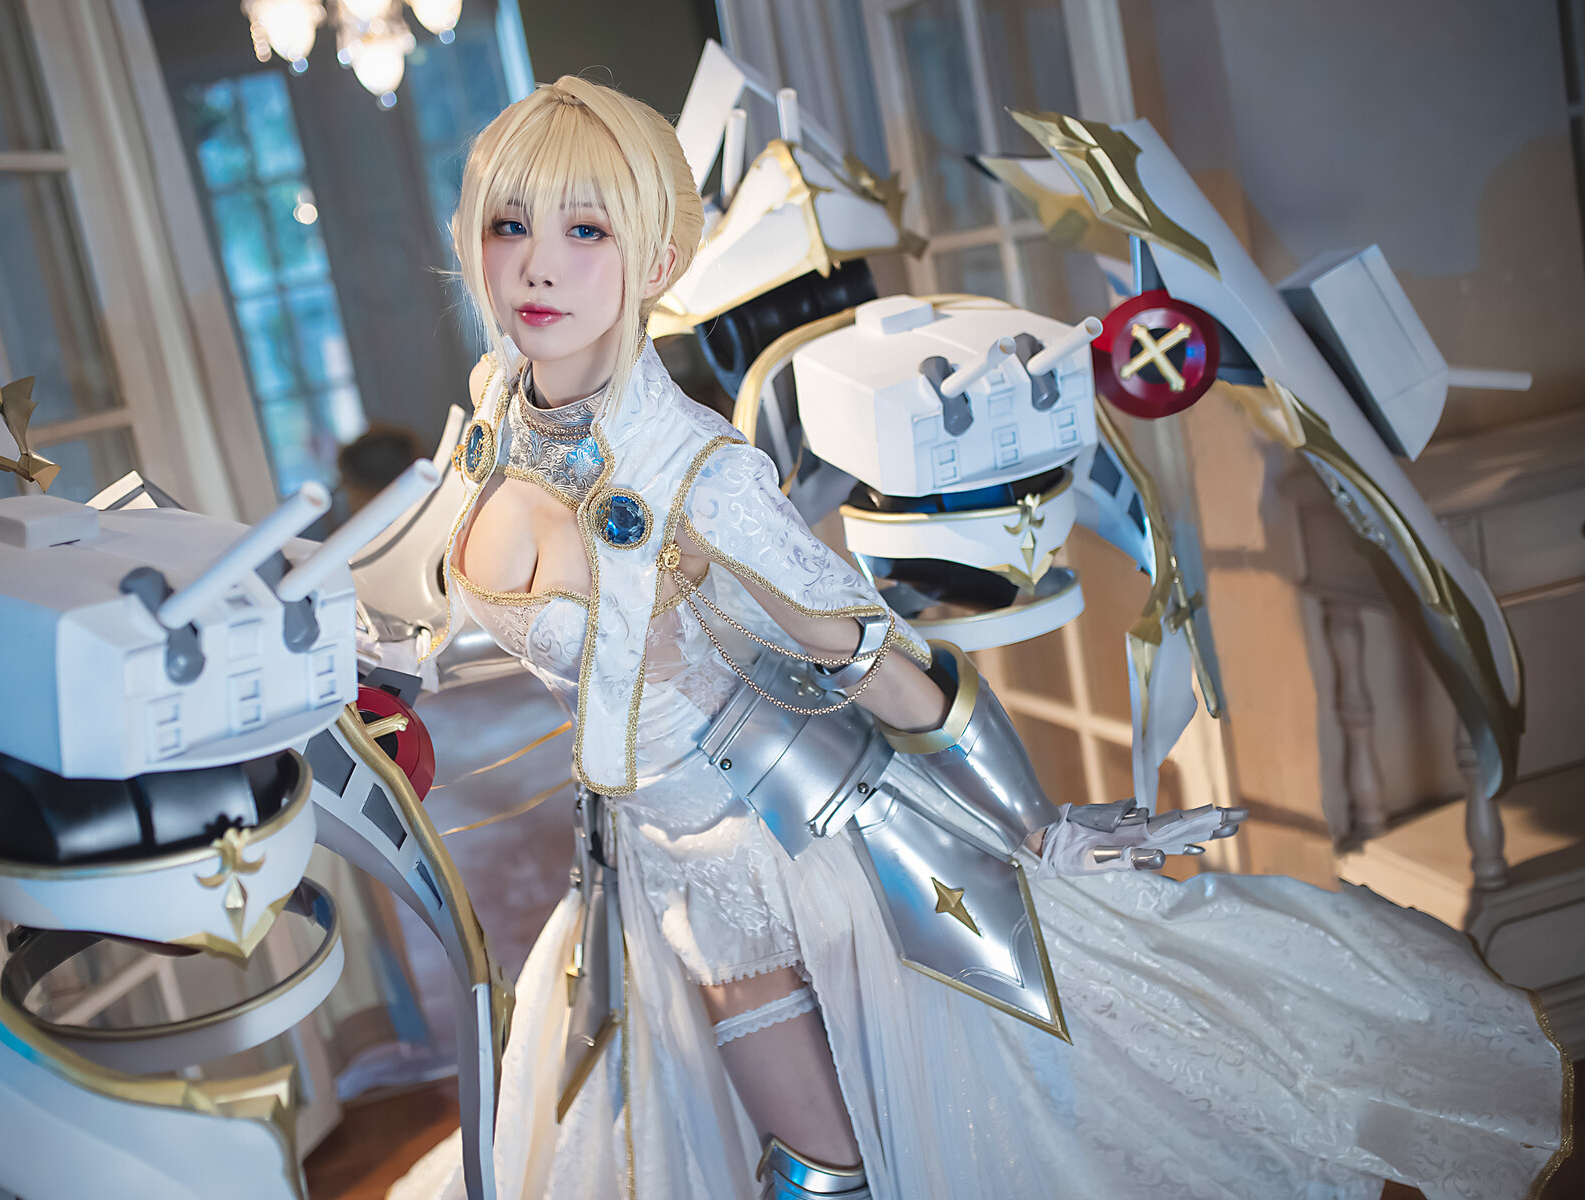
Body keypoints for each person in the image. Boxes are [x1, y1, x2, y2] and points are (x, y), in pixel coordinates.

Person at [388, 77, 1569, 1200]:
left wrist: (1030, 828)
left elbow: (878, 661)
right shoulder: (501, 410)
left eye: (585, 229)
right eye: (509, 224)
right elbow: (448, 584)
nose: (537, 264)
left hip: (756, 854)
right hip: (632, 856)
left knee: (825, 1168)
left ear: (655, 260)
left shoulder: (698, 474)